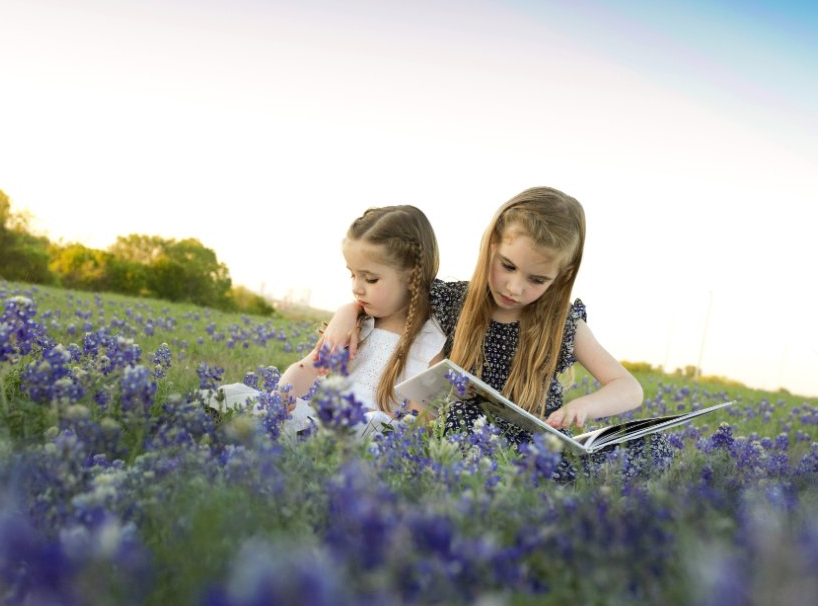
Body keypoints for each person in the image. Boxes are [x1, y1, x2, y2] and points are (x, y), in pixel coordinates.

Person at [323, 187, 647, 480]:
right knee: (460, 413)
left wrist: (584, 407)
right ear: (491, 246)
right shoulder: (455, 300)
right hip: (463, 436)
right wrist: (348, 312)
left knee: (651, 444)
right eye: (508, 266)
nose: (515, 287)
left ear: (562, 277)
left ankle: (548, 481)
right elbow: (391, 297)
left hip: (534, 450)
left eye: (537, 280)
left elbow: (628, 388)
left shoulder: (564, 325)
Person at [209, 204, 445, 435]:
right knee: (234, 396)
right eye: (352, 275)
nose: (356, 288)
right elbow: (307, 367)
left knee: (360, 428)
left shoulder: (433, 342)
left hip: (372, 434)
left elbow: (418, 423)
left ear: (412, 277)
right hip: (326, 417)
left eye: (371, 279)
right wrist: (280, 397)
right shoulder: (357, 325)